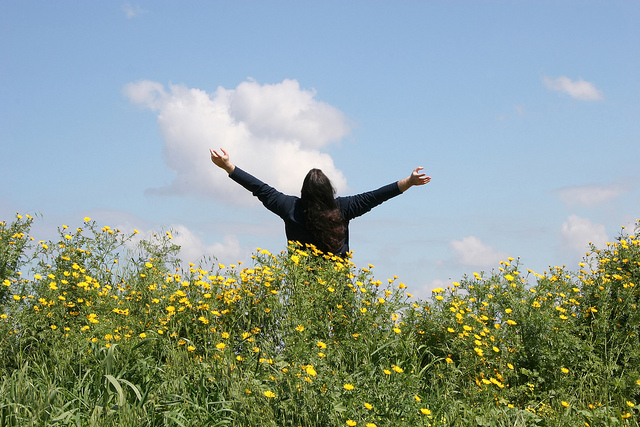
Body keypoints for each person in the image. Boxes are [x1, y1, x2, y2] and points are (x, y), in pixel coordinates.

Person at [210, 148, 431, 257]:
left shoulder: (290, 207)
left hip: (304, 292)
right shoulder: (343, 208)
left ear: (304, 191)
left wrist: (228, 167)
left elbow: (260, 189)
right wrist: (410, 181)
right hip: (338, 290)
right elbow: (377, 196)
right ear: (329, 190)